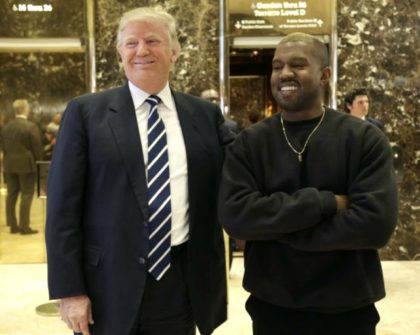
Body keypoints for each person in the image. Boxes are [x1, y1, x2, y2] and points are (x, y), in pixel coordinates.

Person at [46, 7, 231, 335]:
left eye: (152, 40)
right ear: (119, 53)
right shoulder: (86, 114)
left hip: (181, 283)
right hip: (106, 285)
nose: (141, 50)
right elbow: (62, 209)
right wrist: (70, 290)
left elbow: (235, 179)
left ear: (174, 51)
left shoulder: (204, 116)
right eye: (131, 43)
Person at [218, 32, 398, 335]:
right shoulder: (250, 142)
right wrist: (327, 203)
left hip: (348, 308)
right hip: (272, 308)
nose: (285, 73)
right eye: (277, 66)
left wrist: (278, 234)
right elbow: (236, 217)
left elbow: (376, 224)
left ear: (324, 75)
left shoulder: (363, 139)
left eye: (298, 65)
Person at [0, 99, 43, 234]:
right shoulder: (31, 127)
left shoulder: (6, 127)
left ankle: (13, 225)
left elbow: (3, 147)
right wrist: (39, 163)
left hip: (9, 164)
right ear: (25, 109)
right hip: (26, 164)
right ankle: (24, 226)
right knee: (26, 194)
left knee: (11, 194)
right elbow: (37, 148)